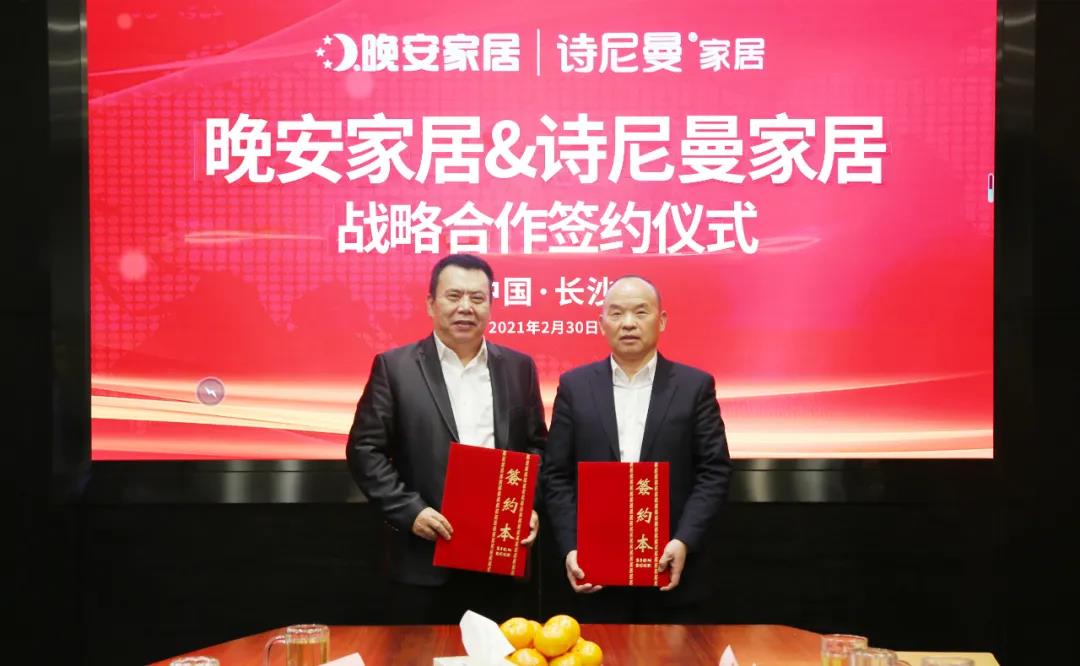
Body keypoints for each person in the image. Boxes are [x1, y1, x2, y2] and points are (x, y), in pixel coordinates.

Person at [346, 254, 547, 623]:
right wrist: (411, 511)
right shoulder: (396, 367)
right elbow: (365, 450)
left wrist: (526, 506)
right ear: (431, 303)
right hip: (425, 558)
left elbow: (537, 446)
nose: (465, 307)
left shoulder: (519, 368)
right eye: (454, 296)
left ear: (491, 305)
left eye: (478, 298)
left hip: (500, 558)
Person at [541, 275, 732, 622]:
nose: (628, 323)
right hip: (594, 574)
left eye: (640, 312)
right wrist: (571, 546)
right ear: (602, 323)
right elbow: (556, 475)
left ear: (662, 320)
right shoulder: (574, 386)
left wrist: (684, 540)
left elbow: (713, 472)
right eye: (616, 313)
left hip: (671, 571)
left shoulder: (694, 386)